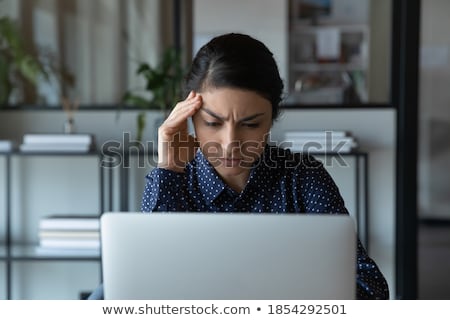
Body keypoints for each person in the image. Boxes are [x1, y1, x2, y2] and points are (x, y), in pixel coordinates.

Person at [89, 33, 389, 300]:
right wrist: (169, 168)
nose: (230, 143)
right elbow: (144, 283)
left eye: (250, 124)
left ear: (272, 119)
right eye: (212, 123)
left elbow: (370, 288)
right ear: (189, 118)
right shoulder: (176, 179)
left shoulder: (302, 177)